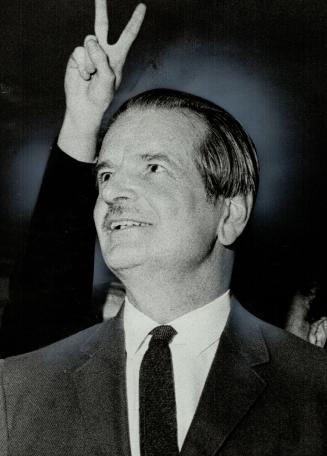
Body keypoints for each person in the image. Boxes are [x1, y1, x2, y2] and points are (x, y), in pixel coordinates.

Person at [1, 1, 327, 455]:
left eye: (154, 167)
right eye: (107, 175)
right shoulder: (21, 390)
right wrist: (81, 120)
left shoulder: (314, 391)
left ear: (230, 214)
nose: (113, 193)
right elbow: (42, 309)